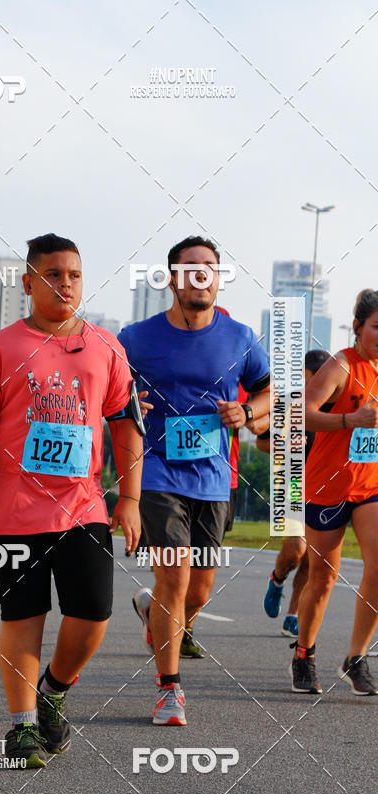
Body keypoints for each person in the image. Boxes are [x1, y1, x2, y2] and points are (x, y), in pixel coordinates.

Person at [0, 233, 143, 768]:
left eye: (74, 275)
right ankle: (22, 727)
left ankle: (54, 690)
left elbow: (126, 424)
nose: (65, 284)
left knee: (94, 613)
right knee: (23, 616)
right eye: (54, 274)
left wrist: (130, 498)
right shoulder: (1, 348)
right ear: (29, 282)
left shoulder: (106, 347)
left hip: (84, 507)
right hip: (14, 511)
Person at [121, 236, 271, 725]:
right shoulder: (135, 337)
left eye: (210, 266)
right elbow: (106, 386)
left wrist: (248, 412)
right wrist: (126, 402)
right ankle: (169, 690)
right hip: (157, 471)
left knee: (199, 591)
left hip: (213, 478)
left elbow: (270, 390)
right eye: (191, 267)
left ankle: (156, 616)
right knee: (175, 576)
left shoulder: (241, 337)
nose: (201, 274)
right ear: (172, 279)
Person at [290, 289, 378, 695]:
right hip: (327, 487)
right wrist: (350, 420)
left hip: (369, 486)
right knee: (323, 579)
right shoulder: (342, 365)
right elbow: (302, 413)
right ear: (358, 326)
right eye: (377, 327)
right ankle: (303, 653)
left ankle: (356, 657)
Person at [257, 350, 331, 637]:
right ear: (305, 374)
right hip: (293, 484)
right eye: (316, 373)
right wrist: (285, 446)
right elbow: (262, 442)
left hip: (324, 487)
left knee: (312, 558)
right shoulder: (287, 404)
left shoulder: (335, 407)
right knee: (296, 550)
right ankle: (277, 579)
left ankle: (293, 615)